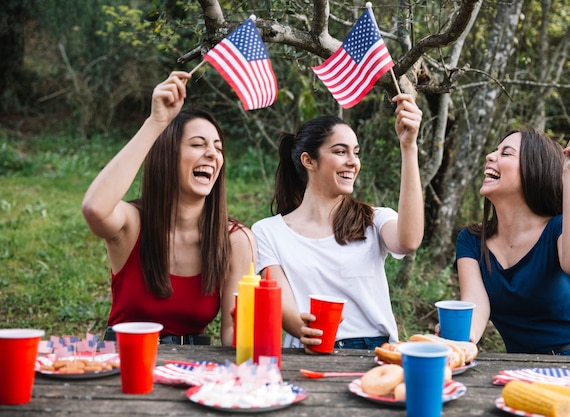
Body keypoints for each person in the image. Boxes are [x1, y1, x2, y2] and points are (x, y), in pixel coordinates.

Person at [82, 71, 255, 346]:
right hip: (124, 367)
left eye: (218, 148)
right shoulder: (132, 224)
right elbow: (94, 209)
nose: (212, 153)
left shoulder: (236, 240)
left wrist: (259, 324)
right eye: (198, 144)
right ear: (167, 155)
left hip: (193, 371)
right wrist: (155, 123)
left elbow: (234, 336)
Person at [252, 93, 424, 351]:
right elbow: (280, 302)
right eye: (340, 151)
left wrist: (409, 148)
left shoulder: (374, 219)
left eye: (355, 153)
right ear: (309, 161)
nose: (353, 162)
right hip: (309, 349)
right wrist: (303, 329)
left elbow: (408, 242)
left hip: (375, 351)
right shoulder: (267, 231)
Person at [455, 128, 570, 357]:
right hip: (524, 372)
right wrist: (458, 339)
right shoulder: (471, 240)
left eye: (506, 153)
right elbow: (476, 305)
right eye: (495, 150)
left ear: (533, 170)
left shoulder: (559, 228)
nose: (490, 156)